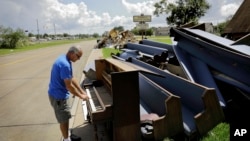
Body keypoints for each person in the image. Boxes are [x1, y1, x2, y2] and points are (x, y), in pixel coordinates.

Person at [48, 46, 89, 141]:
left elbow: (71, 77)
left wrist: (81, 90)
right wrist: (81, 96)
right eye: (78, 56)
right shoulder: (65, 64)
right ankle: (66, 139)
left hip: (59, 95)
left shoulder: (66, 59)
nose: (78, 59)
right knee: (63, 120)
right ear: (71, 53)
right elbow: (69, 86)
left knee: (66, 117)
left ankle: (68, 135)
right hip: (59, 97)